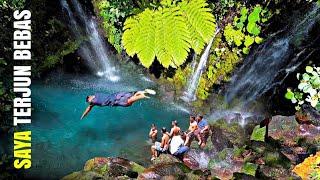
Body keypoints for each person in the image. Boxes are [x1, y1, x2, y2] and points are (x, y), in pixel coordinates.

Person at [80, 89, 156, 119]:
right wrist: (83, 115)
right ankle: (139, 92)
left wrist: (83, 115)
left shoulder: (93, 101)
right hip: (115, 95)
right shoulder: (96, 94)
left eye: (89, 100)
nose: (89, 102)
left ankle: (141, 96)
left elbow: (88, 108)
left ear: (89, 99)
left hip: (115, 100)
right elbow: (89, 108)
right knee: (129, 100)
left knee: (127, 103)